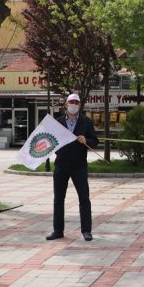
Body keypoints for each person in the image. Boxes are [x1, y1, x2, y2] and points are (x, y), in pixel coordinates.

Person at [46, 93, 98, 242]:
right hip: (61, 165)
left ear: (80, 105)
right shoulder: (58, 122)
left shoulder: (86, 122)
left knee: (84, 198)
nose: (73, 105)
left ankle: (86, 231)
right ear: (66, 105)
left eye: (76, 102)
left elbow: (95, 141)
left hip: (79, 166)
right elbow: (51, 141)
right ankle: (58, 230)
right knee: (58, 199)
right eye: (71, 102)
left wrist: (86, 140)